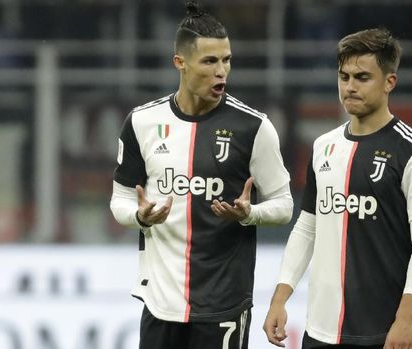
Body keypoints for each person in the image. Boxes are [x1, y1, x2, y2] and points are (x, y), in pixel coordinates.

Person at [109, 2, 293, 348]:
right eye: (210, 61)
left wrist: (250, 214)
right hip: (160, 303)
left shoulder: (254, 127)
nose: (221, 71)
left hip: (224, 302)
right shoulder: (142, 122)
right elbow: (119, 201)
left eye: (227, 60)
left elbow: (284, 205)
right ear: (180, 63)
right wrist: (139, 216)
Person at [263, 28, 412, 349]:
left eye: (362, 77)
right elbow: (307, 227)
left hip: (384, 332)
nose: (349, 87)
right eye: (344, 76)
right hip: (320, 331)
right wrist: (281, 295)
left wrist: (405, 320)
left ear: (390, 82)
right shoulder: (323, 147)